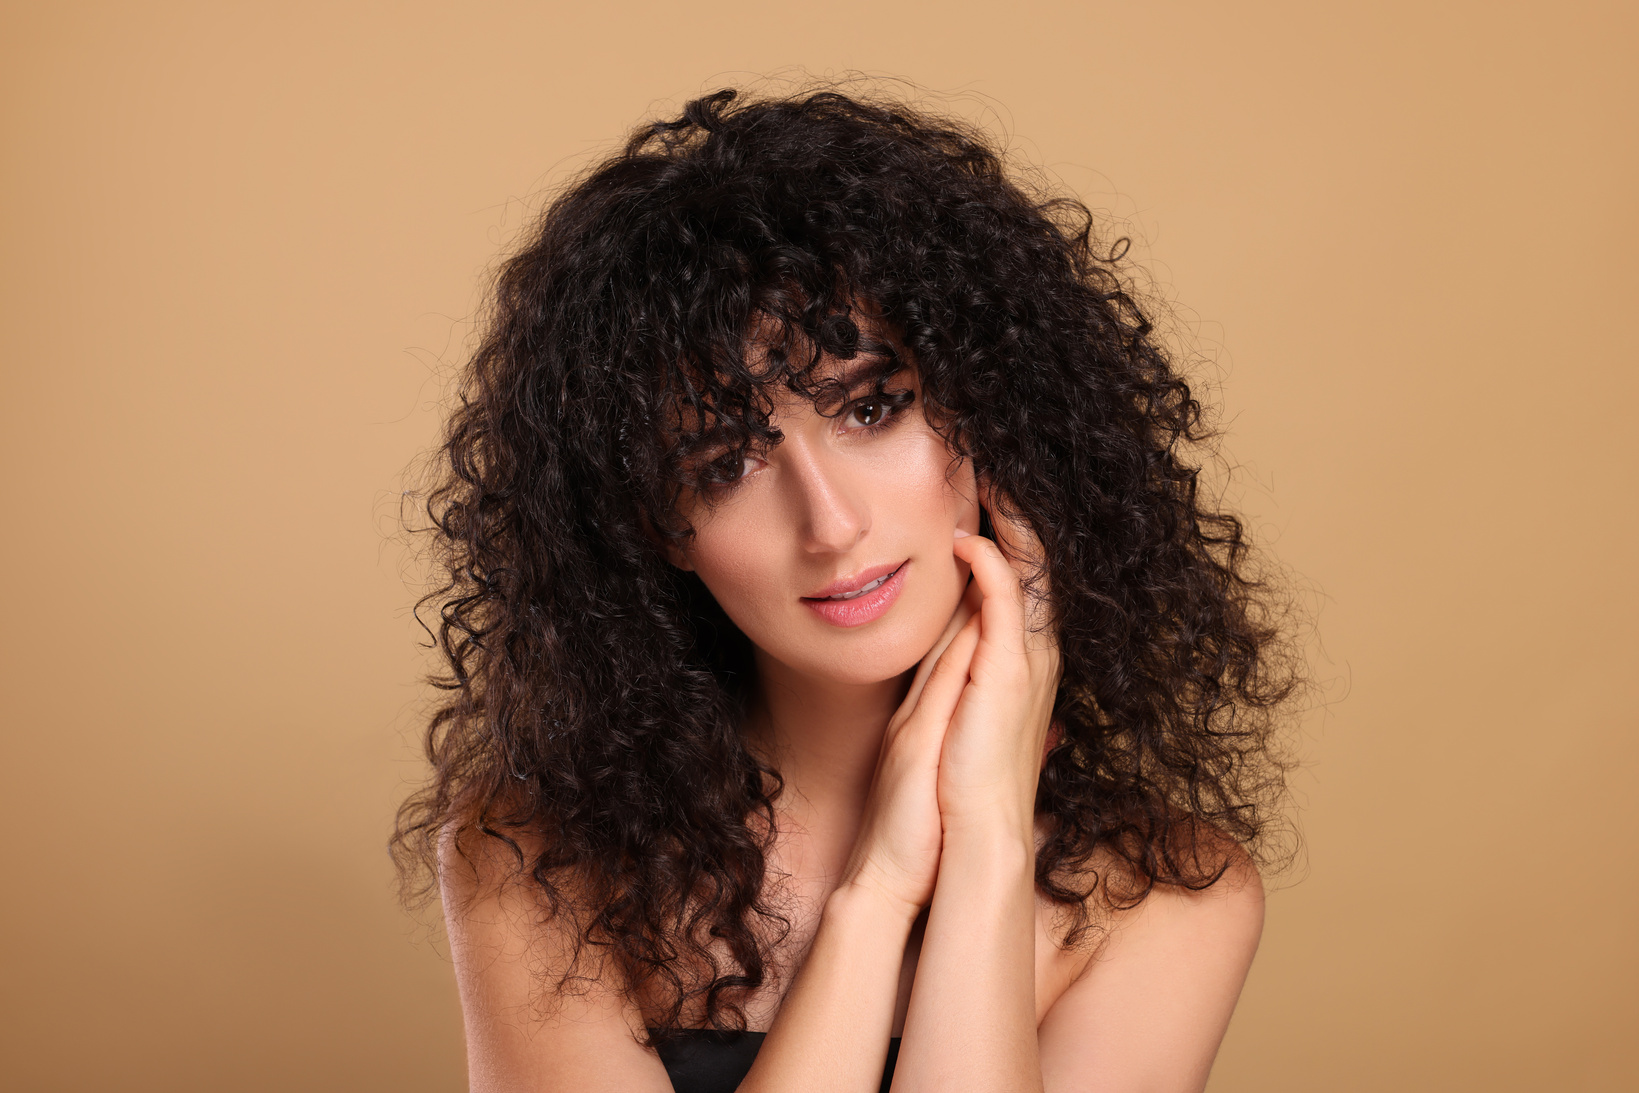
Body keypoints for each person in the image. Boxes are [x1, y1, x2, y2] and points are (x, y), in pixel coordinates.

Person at [392, 85, 1299, 1093]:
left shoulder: (1167, 901)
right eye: (723, 464)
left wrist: (988, 838)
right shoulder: (537, 860)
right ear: (657, 528)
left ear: (991, 408)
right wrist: (878, 892)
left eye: (871, 409)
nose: (830, 525)